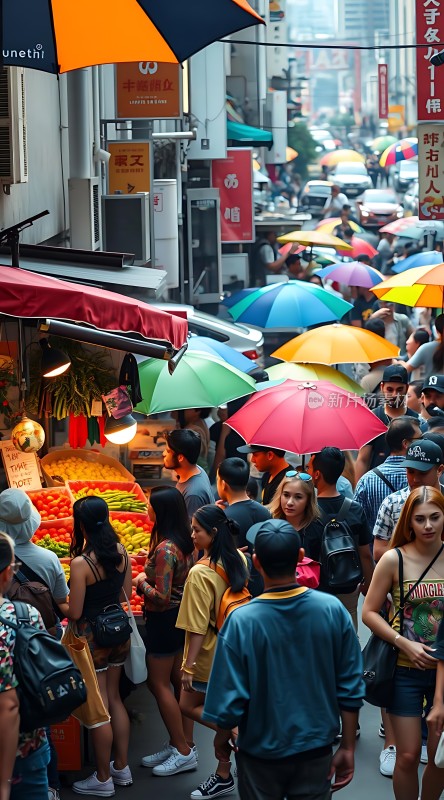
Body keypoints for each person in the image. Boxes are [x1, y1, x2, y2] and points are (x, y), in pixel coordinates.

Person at [202, 519, 365, 800]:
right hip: (315, 750)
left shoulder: (241, 621)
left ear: (255, 562)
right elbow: (350, 685)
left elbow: (228, 697)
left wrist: (222, 737)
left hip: (259, 754)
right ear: (301, 557)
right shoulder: (332, 610)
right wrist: (348, 746)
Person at [362, 486, 444, 800]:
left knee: (439, 757)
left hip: (442, 672)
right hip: (403, 670)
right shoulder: (393, 559)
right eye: (420, 519)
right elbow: (369, 612)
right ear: (409, 521)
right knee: (407, 755)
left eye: (435, 517)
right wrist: (404, 643)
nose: (428, 525)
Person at [0, 489, 69, 800]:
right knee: (41, 716)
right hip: (27, 744)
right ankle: (52, 785)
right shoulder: (49, 559)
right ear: (7, 574)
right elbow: (62, 601)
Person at [176, 505, 248, 800]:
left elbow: (196, 626)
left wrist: (188, 666)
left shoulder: (199, 573)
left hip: (208, 655)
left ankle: (241, 734)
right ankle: (223, 772)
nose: (192, 535)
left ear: (213, 533)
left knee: (188, 705)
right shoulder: (238, 558)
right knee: (225, 709)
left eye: (197, 530)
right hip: (235, 648)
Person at [68, 497, 133, 797]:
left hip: (94, 640)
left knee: (100, 708)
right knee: (115, 699)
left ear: (81, 525)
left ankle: (103, 778)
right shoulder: (121, 551)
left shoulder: (81, 564)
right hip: (119, 632)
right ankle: (122, 767)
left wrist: (60, 603)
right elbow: (125, 594)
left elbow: (75, 612)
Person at [133, 487, 197, 776]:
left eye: (150, 505)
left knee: (157, 684)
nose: (147, 508)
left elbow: (161, 596)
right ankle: (183, 743)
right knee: (176, 682)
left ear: (161, 511)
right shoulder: (184, 541)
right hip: (179, 618)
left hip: (163, 620)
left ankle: (182, 751)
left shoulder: (165, 549)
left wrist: (140, 582)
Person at [306, 447, 374, 631]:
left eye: (309, 468)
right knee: (349, 633)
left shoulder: (309, 512)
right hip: (348, 584)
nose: (308, 472)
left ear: (317, 474)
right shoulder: (355, 509)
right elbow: (365, 554)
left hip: (317, 589)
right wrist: (368, 584)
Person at [0, 531, 39, 800]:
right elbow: (9, 706)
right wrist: (4, 782)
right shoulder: (25, 616)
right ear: (6, 573)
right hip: (24, 750)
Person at [373, 439, 444, 562]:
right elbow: (378, 552)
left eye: (422, 473)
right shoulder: (392, 503)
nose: (415, 479)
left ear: (439, 470)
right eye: (410, 472)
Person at [354, 417, 422, 531]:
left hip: (376, 542)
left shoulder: (366, 480)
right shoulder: (421, 477)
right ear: (406, 443)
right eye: (420, 438)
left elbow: (357, 522)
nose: (423, 442)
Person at [355, 365, 419, 480]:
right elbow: (362, 460)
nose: (394, 395)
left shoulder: (416, 420)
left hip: (410, 484)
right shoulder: (372, 418)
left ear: (406, 388)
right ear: (382, 387)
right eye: (390, 389)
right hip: (376, 483)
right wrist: (359, 488)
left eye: (399, 390)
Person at [268, 469, 324, 556]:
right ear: (280, 495)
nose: (290, 502)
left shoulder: (317, 530)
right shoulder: (269, 524)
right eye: (286, 495)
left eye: (298, 497)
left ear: (308, 500)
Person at [163, 429, 214, 518]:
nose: (164, 454)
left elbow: (190, 526)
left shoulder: (193, 495)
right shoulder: (197, 469)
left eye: (168, 451)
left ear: (180, 458)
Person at [400, 314, 444, 380]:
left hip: (431, 385)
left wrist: (394, 362)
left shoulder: (427, 348)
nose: (407, 342)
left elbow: (405, 369)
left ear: (436, 330)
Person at [173, 409, 212, 473]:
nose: (182, 411)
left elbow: (188, 454)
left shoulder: (194, 430)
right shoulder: (199, 423)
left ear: (197, 411)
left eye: (186, 409)